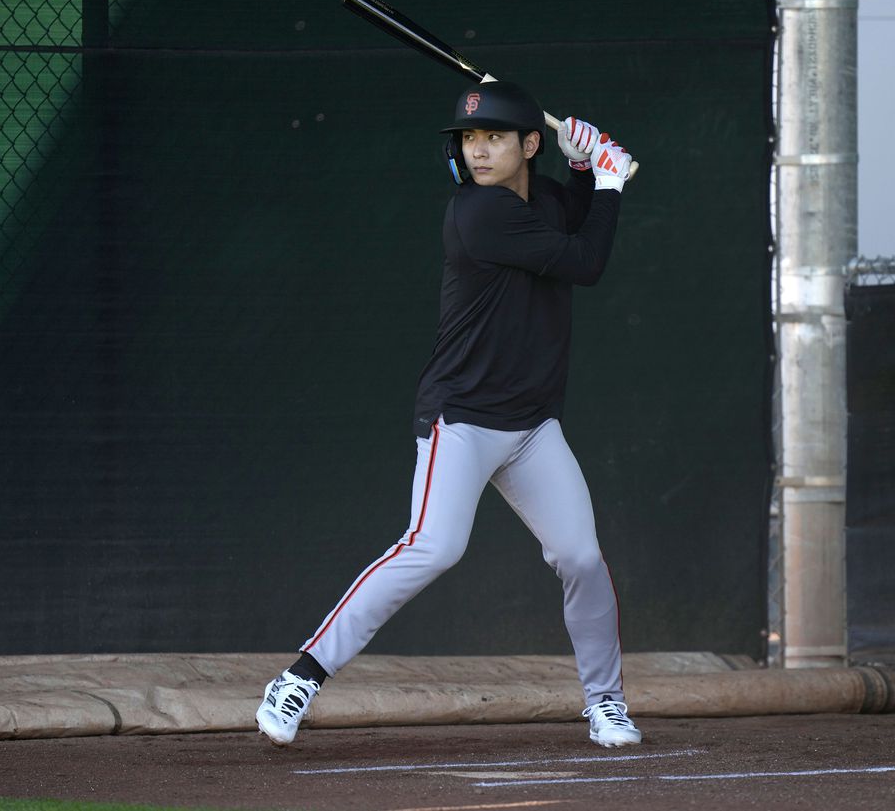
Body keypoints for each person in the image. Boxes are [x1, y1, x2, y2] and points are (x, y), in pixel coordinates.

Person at [255, 80, 641, 749]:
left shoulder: (539, 197)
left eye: (494, 137)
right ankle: (301, 676)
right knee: (433, 546)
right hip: (461, 419)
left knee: (580, 555)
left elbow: (572, 215)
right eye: (469, 138)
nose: (479, 150)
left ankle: (605, 702)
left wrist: (583, 166)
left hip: (530, 426)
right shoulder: (478, 213)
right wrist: (607, 181)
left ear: (529, 145)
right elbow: (586, 260)